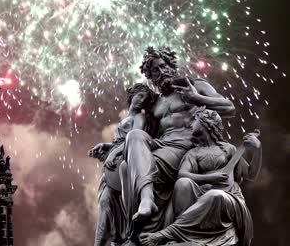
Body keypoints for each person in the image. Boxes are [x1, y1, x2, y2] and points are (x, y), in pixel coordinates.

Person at [121, 47, 236, 242]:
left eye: (163, 66)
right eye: (155, 70)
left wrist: (197, 99)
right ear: (150, 77)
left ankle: (146, 219)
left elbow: (229, 108)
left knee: (130, 167)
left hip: (185, 147)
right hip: (161, 145)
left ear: (172, 66)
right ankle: (146, 205)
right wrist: (111, 147)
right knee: (131, 146)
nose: (161, 72)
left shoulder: (195, 86)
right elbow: (143, 131)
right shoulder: (154, 104)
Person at [140, 107, 262, 246]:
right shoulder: (194, 153)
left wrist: (257, 150)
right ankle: (185, 236)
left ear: (206, 123)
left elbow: (251, 174)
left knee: (215, 195)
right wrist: (210, 178)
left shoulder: (229, 149)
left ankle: (167, 233)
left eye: (195, 120)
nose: (191, 124)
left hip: (228, 199)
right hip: (202, 195)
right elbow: (182, 174)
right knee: (183, 183)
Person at [88, 83, 157, 246]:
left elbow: (133, 137)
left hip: (122, 163)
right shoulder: (127, 117)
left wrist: (117, 153)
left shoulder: (140, 117)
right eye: (140, 96)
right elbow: (119, 141)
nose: (141, 100)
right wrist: (105, 147)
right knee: (104, 204)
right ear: (132, 95)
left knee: (108, 204)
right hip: (113, 165)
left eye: (145, 99)